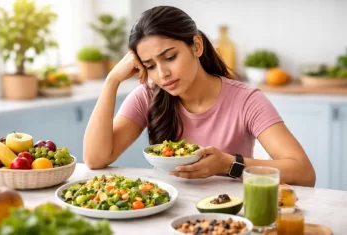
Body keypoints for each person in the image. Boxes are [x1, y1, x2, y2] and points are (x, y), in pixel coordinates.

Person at [83, 5, 316, 187]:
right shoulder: (148, 95)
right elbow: (95, 159)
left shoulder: (246, 100)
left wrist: (228, 164)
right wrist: (111, 82)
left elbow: (304, 173)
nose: (162, 74)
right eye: (150, 65)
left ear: (196, 46)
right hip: (166, 211)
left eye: (170, 57)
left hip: (230, 214)